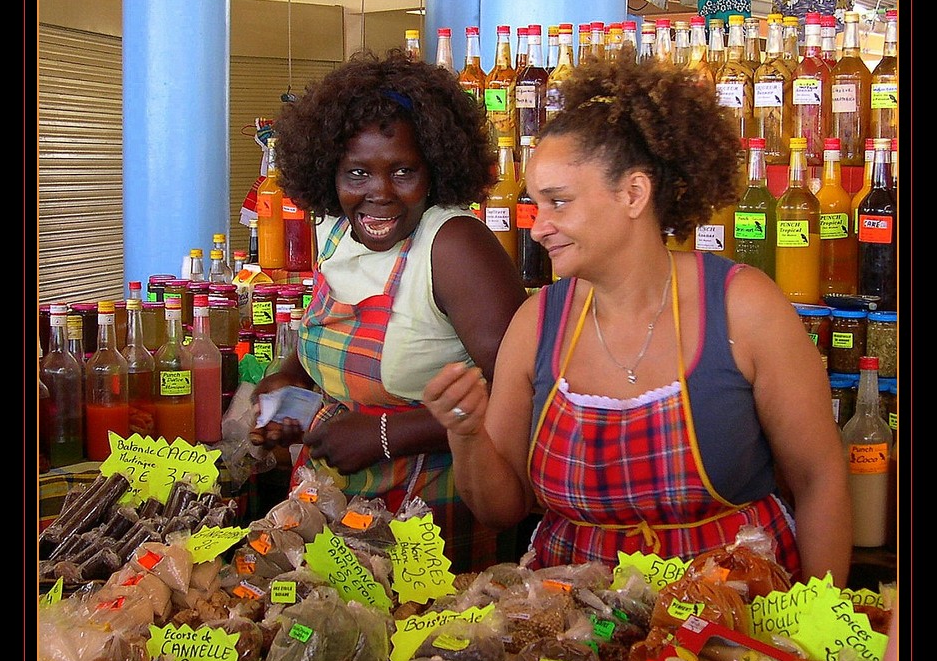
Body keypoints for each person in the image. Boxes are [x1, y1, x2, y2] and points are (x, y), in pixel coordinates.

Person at [423, 55, 853, 587]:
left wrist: (820, 633)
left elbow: (819, 479)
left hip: (734, 618)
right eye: (536, 205)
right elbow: (501, 509)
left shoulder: (744, 307)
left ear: (633, 194)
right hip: (575, 626)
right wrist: (465, 435)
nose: (539, 228)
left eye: (559, 203)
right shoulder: (537, 324)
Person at [249, 48, 529, 574]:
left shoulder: (453, 245)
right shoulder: (334, 232)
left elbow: (522, 388)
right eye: (357, 174)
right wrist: (286, 387)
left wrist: (383, 435)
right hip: (328, 514)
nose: (379, 194)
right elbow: (324, 338)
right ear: (328, 172)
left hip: (431, 519)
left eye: (403, 171)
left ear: (436, 169)